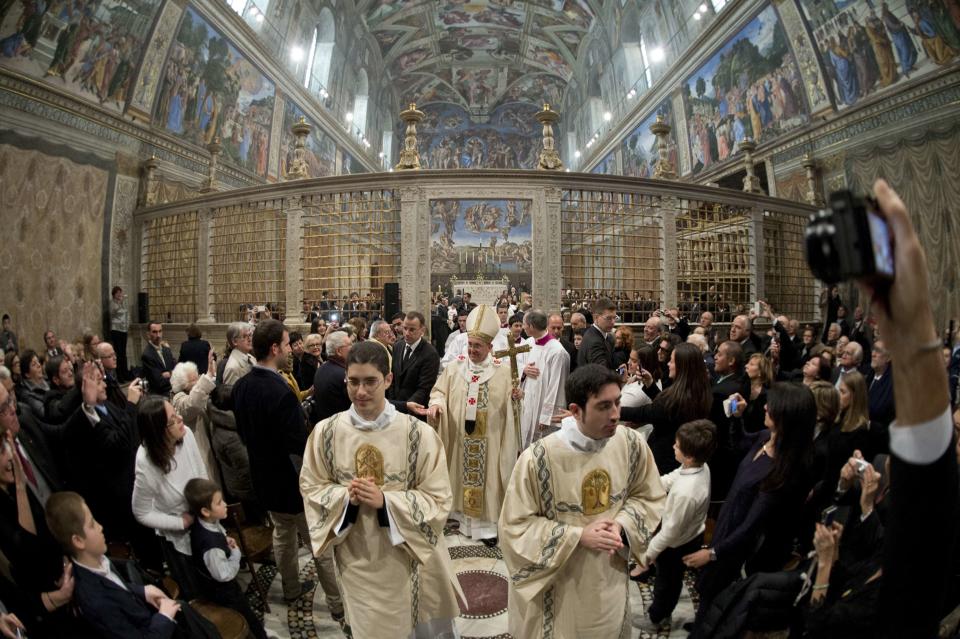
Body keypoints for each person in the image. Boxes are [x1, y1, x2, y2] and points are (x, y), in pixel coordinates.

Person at [300, 342, 463, 638]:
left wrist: (386, 502)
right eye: (353, 381)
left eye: (370, 381)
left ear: (388, 380)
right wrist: (345, 498)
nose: (360, 391)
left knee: (419, 625)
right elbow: (312, 487)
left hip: (409, 558)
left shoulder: (418, 434)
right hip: (357, 558)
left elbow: (438, 498)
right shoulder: (326, 433)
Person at [499, 364, 666, 638]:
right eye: (603, 406)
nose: (615, 415)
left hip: (609, 575)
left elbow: (648, 495)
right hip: (559, 583)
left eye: (617, 403)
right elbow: (515, 526)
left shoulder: (632, 443)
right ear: (576, 411)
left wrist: (622, 525)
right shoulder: (538, 458)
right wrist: (577, 536)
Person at [231, 320, 342, 615]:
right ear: (274, 348)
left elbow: (242, 434)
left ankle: (291, 589)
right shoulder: (280, 392)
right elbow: (299, 444)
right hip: (292, 480)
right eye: (285, 344)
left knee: (282, 534)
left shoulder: (241, 386)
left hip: (264, 478)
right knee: (318, 541)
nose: (291, 351)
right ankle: (337, 603)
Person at [685, 383, 815, 630]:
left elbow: (751, 526)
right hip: (728, 527)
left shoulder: (784, 472)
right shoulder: (767, 438)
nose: (766, 406)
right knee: (709, 597)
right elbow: (741, 443)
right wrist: (737, 417)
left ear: (787, 415)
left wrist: (713, 553)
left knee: (722, 604)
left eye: (772, 405)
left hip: (740, 550)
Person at [45, 491, 213, 639]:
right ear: (78, 541)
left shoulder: (98, 560)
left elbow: (116, 587)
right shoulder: (96, 601)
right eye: (92, 524)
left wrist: (142, 591)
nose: (100, 527)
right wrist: (164, 618)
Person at [423, 304, 519, 544]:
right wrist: (436, 405)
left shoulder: (504, 372)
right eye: (470, 345)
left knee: (488, 481)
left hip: (490, 438)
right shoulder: (455, 369)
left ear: (490, 347)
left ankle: (487, 529)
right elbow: (438, 392)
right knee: (461, 476)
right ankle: (463, 521)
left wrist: (517, 401)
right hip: (461, 437)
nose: (473, 350)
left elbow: (514, 410)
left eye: (478, 346)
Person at [632, 419, 716, 633]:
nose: (673, 447)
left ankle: (656, 618)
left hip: (677, 543)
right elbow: (674, 477)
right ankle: (662, 612)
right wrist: (649, 487)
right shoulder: (700, 466)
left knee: (666, 582)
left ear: (688, 456)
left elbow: (669, 531)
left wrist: (647, 557)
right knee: (670, 579)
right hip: (689, 534)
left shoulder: (687, 493)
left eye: (677, 446)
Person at [132, 395, 208, 600]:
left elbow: (201, 473)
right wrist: (179, 522)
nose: (180, 420)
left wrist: (211, 508)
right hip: (179, 538)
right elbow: (141, 512)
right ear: (158, 432)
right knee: (197, 593)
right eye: (172, 420)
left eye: (176, 413)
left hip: (204, 520)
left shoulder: (186, 435)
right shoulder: (146, 462)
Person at [184, 478, 268, 639]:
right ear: (205, 511)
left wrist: (224, 538)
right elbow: (224, 574)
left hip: (220, 584)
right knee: (247, 619)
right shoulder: (211, 545)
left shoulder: (205, 522)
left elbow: (216, 528)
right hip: (224, 593)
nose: (224, 504)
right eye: (219, 502)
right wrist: (236, 555)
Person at [619, 343, 713, 474]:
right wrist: (650, 384)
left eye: (672, 361)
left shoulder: (679, 398)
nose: (668, 364)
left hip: (664, 458)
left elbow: (646, 412)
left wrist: (611, 410)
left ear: (682, 366)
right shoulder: (697, 389)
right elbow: (664, 409)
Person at [518, 309, 570, 447]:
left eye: (524, 324)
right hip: (528, 403)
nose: (523, 327)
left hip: (543, 410)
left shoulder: (557, 352)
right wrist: (523, 370)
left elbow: (556, 387)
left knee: (543, 448)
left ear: (531, 327)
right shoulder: (529, 343)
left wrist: (547, 417)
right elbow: (518, 363)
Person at [170, 352, 218, 479]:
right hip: (196, 451)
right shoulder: (178, 399)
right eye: (194, 380)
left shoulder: (193, 392)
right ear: (182, 383)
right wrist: (207, 376)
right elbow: (192, 404)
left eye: (198, 377)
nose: (197, 382)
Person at [389, 311, 440, 407]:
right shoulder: (397, 346)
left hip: (415, 408)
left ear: (422, 330)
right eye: (405, 328)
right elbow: (393, 379)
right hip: (396, 407)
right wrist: (393, 404)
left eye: (412, 330)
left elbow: (424, 388)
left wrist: (405, 406)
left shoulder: (430, 354)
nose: (407, 333)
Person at [311, 330, 354, 424]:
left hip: (325, 423)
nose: (353, 347)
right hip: (340, 427)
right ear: (339, 351)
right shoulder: (342, 374)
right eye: (350, 344)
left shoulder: (322, 368)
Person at [577, 297, 617, 369]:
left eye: (615, 318)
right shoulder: (594, 342)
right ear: (596, 318)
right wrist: (621, 377)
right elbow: (602, 374)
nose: (613, 322)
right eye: (608, 318)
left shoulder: (606, 336)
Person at [140, 322, 175, 396]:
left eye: (160, 331)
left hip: (173, 389)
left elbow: (176, 369)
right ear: (148, 334)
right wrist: (173, 374)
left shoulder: (166, 349)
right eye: (155, 332)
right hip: (160, 395)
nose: (158, 335)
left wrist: (169, 373)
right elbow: (159, 382)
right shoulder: (147, 355)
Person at [109, 287, 130, 381]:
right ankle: (119, 375)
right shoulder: (112, 303)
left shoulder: (122, 304)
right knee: (118, 353)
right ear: (114, 294)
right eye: (118, 293)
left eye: (120, 292)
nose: (120, 294)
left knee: (123, 353)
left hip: (123, 330)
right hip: (116, 330)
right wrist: (120, 302)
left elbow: (126, 314)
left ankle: (125, 373)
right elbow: (114, 312)